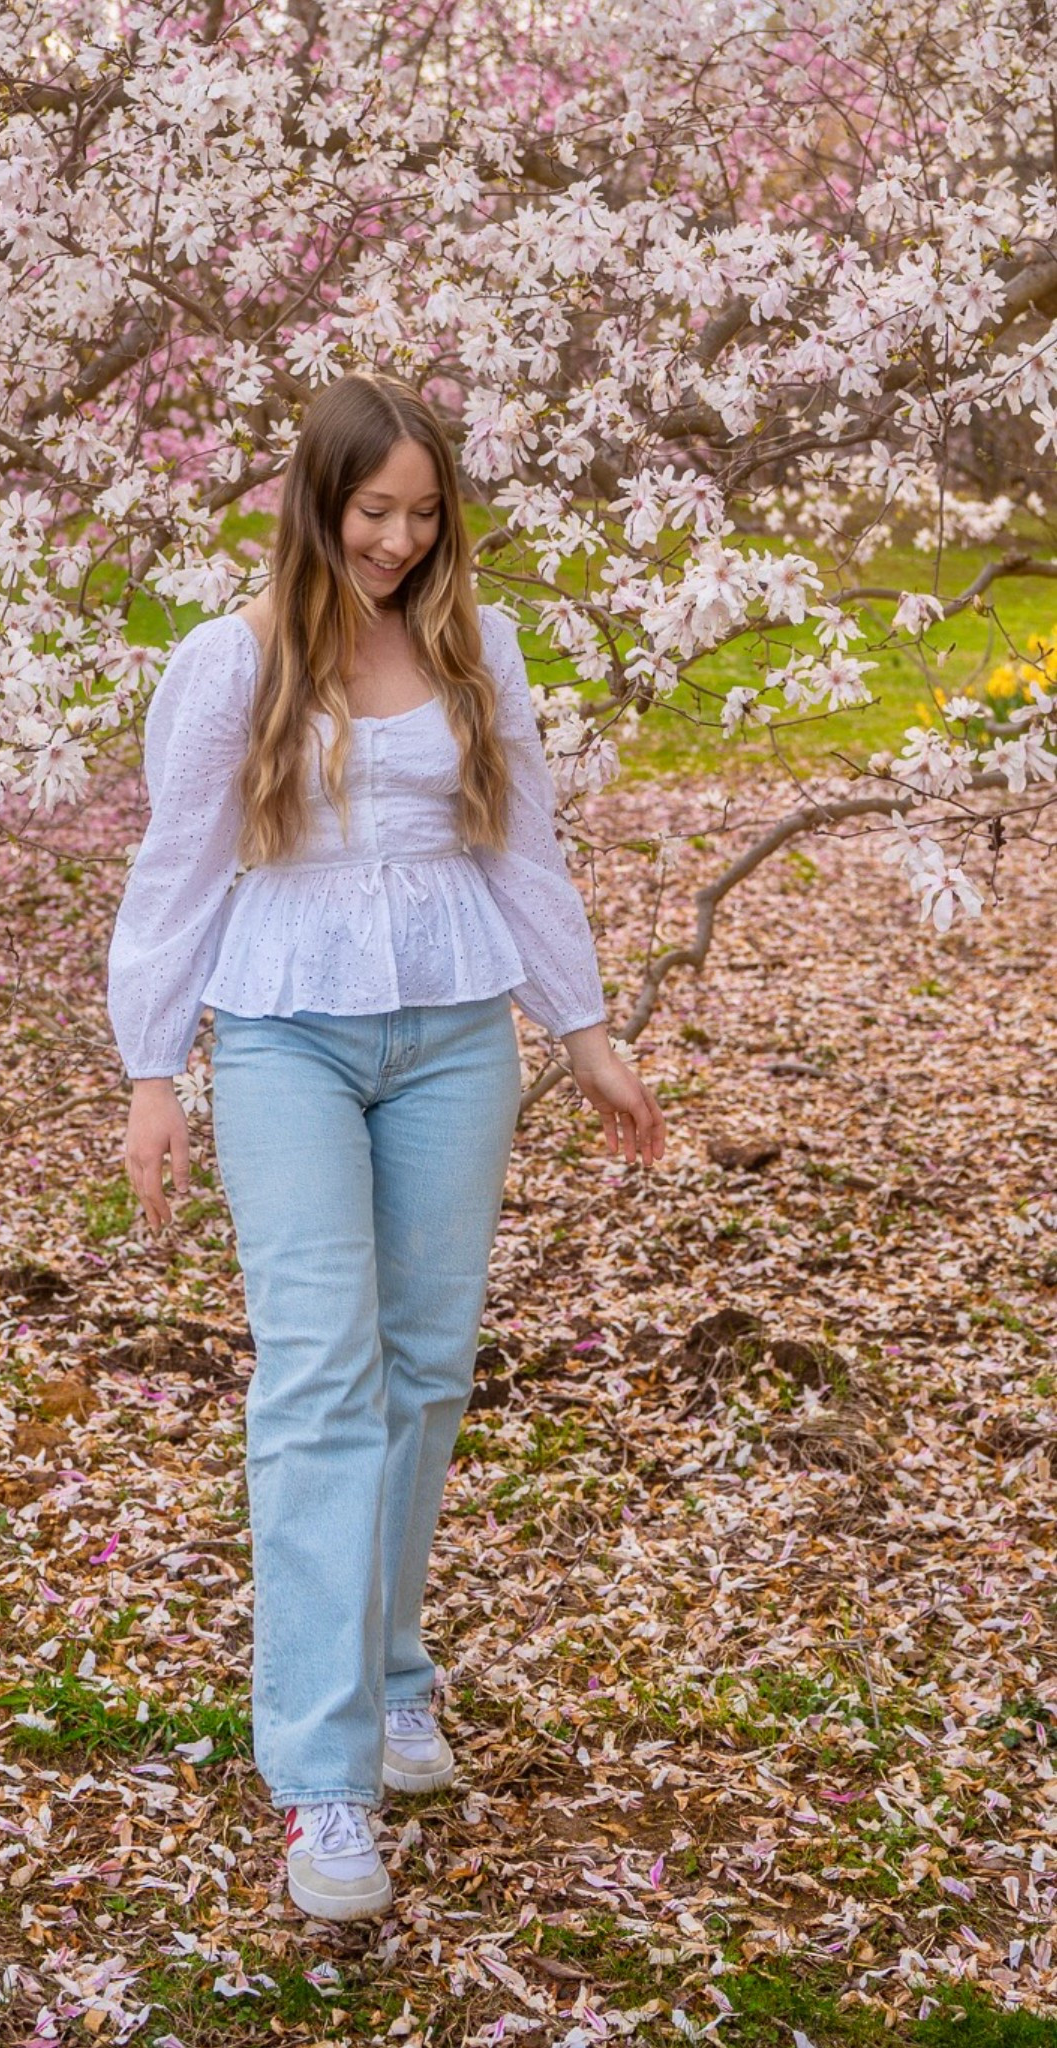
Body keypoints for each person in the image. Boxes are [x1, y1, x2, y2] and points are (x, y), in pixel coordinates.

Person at [106, 370, 665, 1924]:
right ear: (317, 500)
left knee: (423, 1370)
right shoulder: (235, 662)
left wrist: (586, 1031)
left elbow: (525, 845)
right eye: (374, 514)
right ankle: (321, 1780)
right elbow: (175, 871)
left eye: (424, 516)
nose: (400, 544)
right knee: (317, 1377)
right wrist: (155, 1070)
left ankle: (393, 1673)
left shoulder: (477, 646)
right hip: (284, 1031)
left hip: (451, 1037)